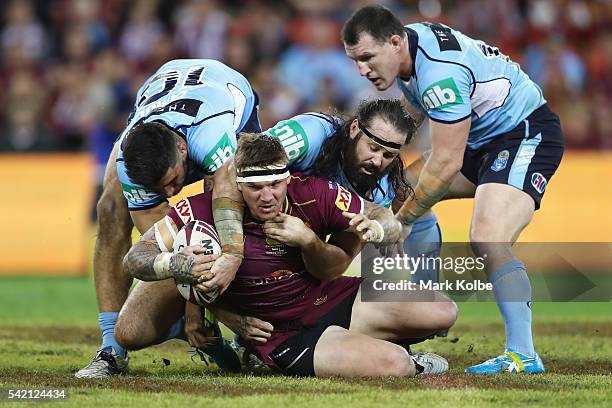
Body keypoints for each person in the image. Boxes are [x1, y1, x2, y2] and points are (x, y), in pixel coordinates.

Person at [116, 133, 457, 377]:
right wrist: (180, 263)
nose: (267, 196)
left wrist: (377, 228)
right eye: (254, 188)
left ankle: (355, 347)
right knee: (395, 365)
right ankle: (391, 357)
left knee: (442, 310)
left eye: (275, 184)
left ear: (287, 177)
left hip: (330, 299)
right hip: (281, 333)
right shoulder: (201, 212)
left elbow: (382, 217)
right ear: (237, 184)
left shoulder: (313, 191)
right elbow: (135, 258)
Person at [342, 5, 564, 374]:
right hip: (484, 140)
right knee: (401, 187)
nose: (362, 70)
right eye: (355, 60)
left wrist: (402, 221)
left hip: (524, 134)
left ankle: (523, 354)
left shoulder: (438, 74)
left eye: (367, 57)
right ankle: (422, 303)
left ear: (395, 42)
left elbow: (446, 162)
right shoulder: (408, 50)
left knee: (488, 237)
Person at [76, 59, 261, 378]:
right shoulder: (129, 165)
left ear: (182, 149)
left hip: (226, 99)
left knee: (250, 208)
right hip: (154, 109)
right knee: (109, 208)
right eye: (159, 188)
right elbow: (165, 246)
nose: (173, 190)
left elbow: (227, 207)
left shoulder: (211, 134)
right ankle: (111, 349)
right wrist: (189, 296)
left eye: (174, 179)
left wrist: (203, 305)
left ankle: (247, 338)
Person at [265, 98, 442, 284]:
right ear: (354, 128)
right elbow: (242, 166)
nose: (377, 161)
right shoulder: (309, 133)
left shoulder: (380, 191)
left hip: (292, 250)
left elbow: (331, 269)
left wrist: (309, 241)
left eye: (388, 155)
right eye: (373, 148)